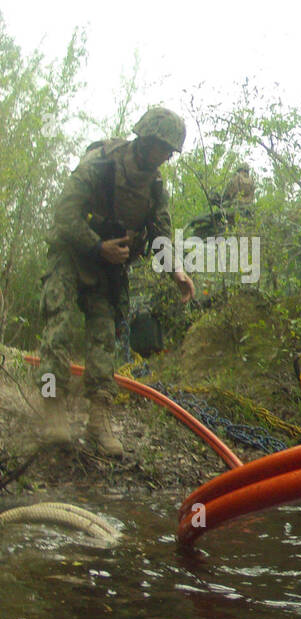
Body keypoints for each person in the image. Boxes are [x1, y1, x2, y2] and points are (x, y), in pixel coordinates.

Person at [36, 106, 195, 455]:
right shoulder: (101, 164)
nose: (168, 156)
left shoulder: (154, 187)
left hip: (108, 266)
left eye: (172, 151)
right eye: (164, 148)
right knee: (58, 327)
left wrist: (176, 271)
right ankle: (51, 407)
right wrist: (96, 245)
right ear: (147, 140)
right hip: (71, 251)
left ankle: (99, 420)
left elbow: (160, 236)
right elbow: (64, 213)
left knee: (104, 339)